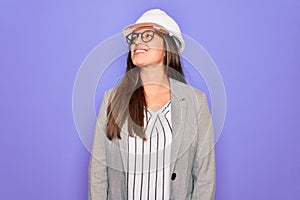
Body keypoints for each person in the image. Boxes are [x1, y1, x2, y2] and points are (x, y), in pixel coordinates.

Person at [88, 8, 216, 200]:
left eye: (147, 35)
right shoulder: (112, 99)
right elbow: (98, 172)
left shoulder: (196, 102)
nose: (137, 41)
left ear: (167, 47)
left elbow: (205, 176)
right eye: (134, 37)